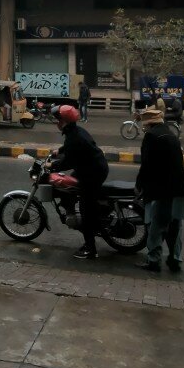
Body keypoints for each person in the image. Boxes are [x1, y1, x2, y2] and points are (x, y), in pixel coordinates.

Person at [135, 107, 184, 273]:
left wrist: (139, 185)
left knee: (156, 227)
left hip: (160, 190)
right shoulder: (171, 135)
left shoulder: (151, 137)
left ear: (148, 124)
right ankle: (175, 260)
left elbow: (146, 165)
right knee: (175, 226)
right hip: (179, 189)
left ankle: (153, 261)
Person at [49, 104, 109, 261]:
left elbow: (68, 162)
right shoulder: (76, 131)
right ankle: (70, 205)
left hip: (93, 173)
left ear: (64, 121)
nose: (57, 122)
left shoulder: (74, 137)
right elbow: (69, 147)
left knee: (85, 209)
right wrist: (59, 151)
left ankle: (91, 249)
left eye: (58, 120)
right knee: (71, 185)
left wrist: (52, 166)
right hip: (92, 167)